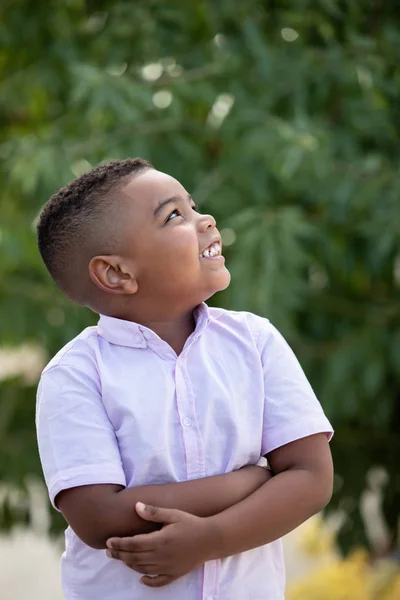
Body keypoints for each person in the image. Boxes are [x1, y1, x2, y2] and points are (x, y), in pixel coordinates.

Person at [35, 158, 334, 600]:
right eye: (174, 215)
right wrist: (249, 481)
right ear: (116, 273)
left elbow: (311, 477)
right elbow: (99, 518)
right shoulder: (75, 376)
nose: (206, 220)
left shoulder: (255, 342)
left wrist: (210, 539)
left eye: (193, 206)